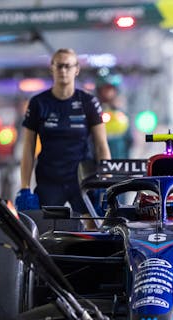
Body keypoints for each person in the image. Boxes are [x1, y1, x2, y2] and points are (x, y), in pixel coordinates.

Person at [16, 48, 111, 214]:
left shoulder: (89, 102)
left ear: (77, 69)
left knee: (94, 230)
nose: (63, 71)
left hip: (83, 178)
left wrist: (105, 185)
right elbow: (28, 148)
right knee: (44, 234)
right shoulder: (38, 103)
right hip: (49, 179)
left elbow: (102, 146)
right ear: (52, 68)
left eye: (68, 66)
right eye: (59, 66)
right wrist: (25, 187)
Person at [96, 71, 132, 159]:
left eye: (111, 89)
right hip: (99, 163)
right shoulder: (94, 113)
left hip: (120, 161)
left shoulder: (122, 114)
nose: (108, 92)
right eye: (105, 89)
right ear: (99, 91)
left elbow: (129, 140)